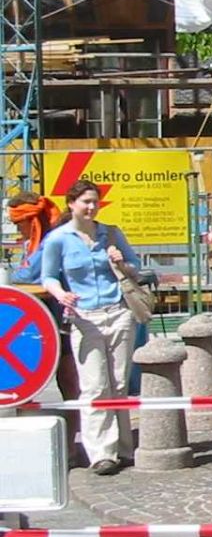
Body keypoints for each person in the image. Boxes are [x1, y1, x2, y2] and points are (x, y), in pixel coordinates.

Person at [39, 180, 143, 476]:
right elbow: (48, 277)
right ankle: (101, 453)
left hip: (118, 312)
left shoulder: (110, 233)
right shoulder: (59, 239)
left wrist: (122, 263)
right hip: (84, 317)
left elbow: (136, 267)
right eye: (85, 201)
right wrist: (61, 295)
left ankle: (123, 448)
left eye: (95, 202)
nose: (91, 207)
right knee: (95, 386)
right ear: (71, 204)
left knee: (119, 384)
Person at [8, 192, 82, 450]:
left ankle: (73, 444)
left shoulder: (49, 241)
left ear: (32, 220)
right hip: (39, 321)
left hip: (56, 320)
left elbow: (27, 275)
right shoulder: (33, 243)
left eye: (19, 223)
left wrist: (10, 274)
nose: (18, 229)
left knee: (68, 381)